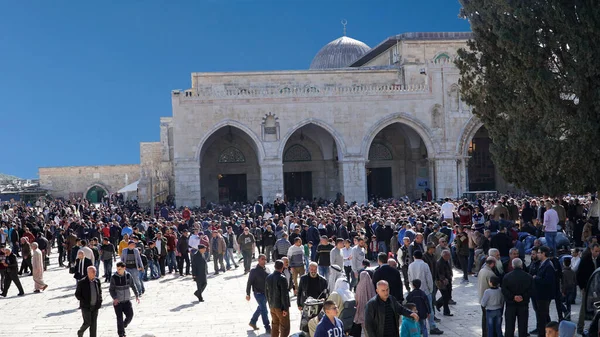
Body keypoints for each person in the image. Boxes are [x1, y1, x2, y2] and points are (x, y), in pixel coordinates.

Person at [501, 258, 533, 337]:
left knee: (509, 326)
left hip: (510, 304)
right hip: (523, 304)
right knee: (523, 326)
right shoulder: (528, 277)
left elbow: (504, 290)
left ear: (512, 265)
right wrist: (522, 296)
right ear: (521, 265)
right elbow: (531, 290)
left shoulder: (507, 276)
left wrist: (513, 297)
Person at [109, 261, 140, 337]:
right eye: (117, 269)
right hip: (118, 302)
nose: (118, 270)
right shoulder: (114, 277)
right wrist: (115, 298)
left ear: (124, 268)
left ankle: (124, 325)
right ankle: (121, 334)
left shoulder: (128, 276)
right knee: (119, 318)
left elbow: (133, 285)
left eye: (119, 269)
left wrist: (137, 295)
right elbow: (111, 289)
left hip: (126, 301)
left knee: (130, 315)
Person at [576, 243, 600, 334]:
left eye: (598, 251)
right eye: (596, 251)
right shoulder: (585, 260)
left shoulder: (598, 259)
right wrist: (582, 287)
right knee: (583, 307)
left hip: (597, 288)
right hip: (587, 287)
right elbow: (579, 275)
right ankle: (580, 327)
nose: (597, 253)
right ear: (591, 250)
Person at [265, 260, 291, 337]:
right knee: (284, 327)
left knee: (275, 325)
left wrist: (270, 304)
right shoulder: (282, 278)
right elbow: (284, 294)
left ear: (274, 267)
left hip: (272, 305)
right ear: (282, 267)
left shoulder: (268, 277)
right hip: (280, 307)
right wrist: (285, 308)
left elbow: (266, 292)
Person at [246, 254, 271, 333]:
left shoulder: (267, 269)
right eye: (262, 259)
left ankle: (253, 321)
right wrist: (248, 294)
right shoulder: (254, 271)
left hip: (267, 293)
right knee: (264, 310)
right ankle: (267, 327)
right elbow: (249, 283)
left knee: (261, 308)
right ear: (258, 260)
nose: (264, 261)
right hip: (258, 293)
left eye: (265, 259)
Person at [75, 266, 102, 337]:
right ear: (88, 273)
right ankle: (80, 332)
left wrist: (100, 301)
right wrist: (84, 301)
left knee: (94, 324)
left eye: (95, 271)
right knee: (87, 322)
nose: (94, 273)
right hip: (86, 307)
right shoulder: (82, 282)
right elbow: (77, 294)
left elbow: (100, 292)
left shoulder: (97, 281)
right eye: (93, 272)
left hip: (95, 306)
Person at [535, 246, 556, 337]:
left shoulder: (548, 265)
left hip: (544, 295)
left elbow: (548, 281)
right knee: (544, 316)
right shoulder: (542, 263)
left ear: (543, 253)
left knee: (542, 317)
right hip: (540, 295)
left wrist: (537, 278)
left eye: (539, 252)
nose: (537, 254)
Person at [478, 257, 497, 337]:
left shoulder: (482, 270)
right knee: (489, 320)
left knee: (484, 319)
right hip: (488, 301)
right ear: (492, 264)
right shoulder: (490, 274)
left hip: (482, 298)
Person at [435, 250, 453, 317]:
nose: (449, 257)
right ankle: (446, 311)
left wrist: (450, 275)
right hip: (442, 282)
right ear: (444, 256)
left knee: (447, 296)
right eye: (448, 255)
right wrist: (443, 279)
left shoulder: (446, 261)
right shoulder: (440, 263)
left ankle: (438, 304)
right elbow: (439, 273)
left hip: (447, 281)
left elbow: (449, 269)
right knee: (445, 296)